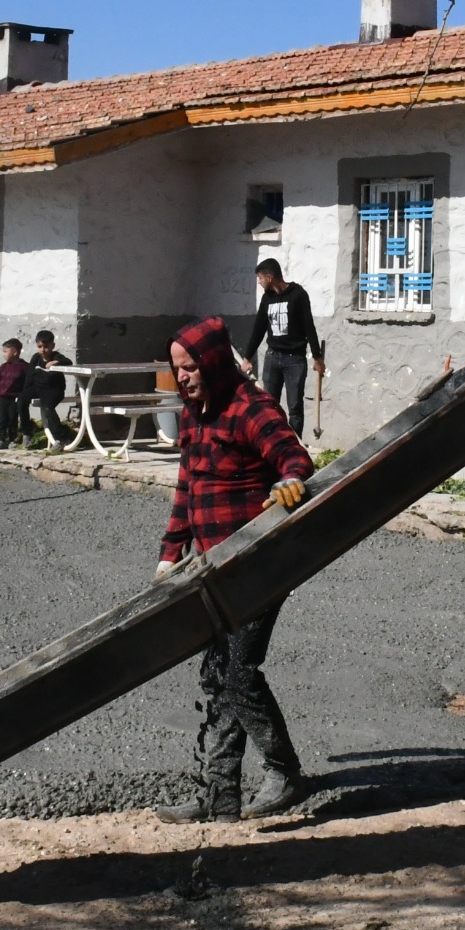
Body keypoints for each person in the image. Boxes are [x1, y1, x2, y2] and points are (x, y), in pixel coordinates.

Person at [154, 317, 315, 822]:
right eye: (176, 369)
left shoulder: (250, 407)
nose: (182, 377)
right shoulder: (194, 413)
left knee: (239, 673)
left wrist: (289, 481)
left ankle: (284, 773)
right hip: (212, 569)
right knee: (217, 673)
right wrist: (168, 555)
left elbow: (294, 457)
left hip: (256, 565)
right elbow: (188, 489)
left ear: (214, 361)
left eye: (189, 367)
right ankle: (220, 793)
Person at [240, 260, 325, 436]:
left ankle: (294, 447)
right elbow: (259, 329)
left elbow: (309, 327)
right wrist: (247, 358)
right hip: (272, 358)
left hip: (295, 359)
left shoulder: (298, 295)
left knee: (294, 407)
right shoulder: (267, 298)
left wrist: (317, 358)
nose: (259, 281)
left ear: (270, 277)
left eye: (260, 277)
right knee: (269, 406)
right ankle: (272, 443)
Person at [29, 330, 73, 448]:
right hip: (38, 389)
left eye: (46, 346)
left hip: (54, 390)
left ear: (52, 346)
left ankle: (60, 437)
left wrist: (55, 362)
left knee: (48, 408)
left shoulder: (56, 356)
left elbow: (68, 362)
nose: (43, 350)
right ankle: (26, 431)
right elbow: (30, 374)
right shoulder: (36, 358)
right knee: (20, 401)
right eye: (40, 347)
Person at [0, 338, 32, 447]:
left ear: (15, 352)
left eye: (5, 351)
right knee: (2, 420)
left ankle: (13, 439)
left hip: (15, 398)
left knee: (12, 420)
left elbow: (28, 384)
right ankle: (1, 439)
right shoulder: (3, 367)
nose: (3, 354)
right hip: (3, 397)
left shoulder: (24, 367)